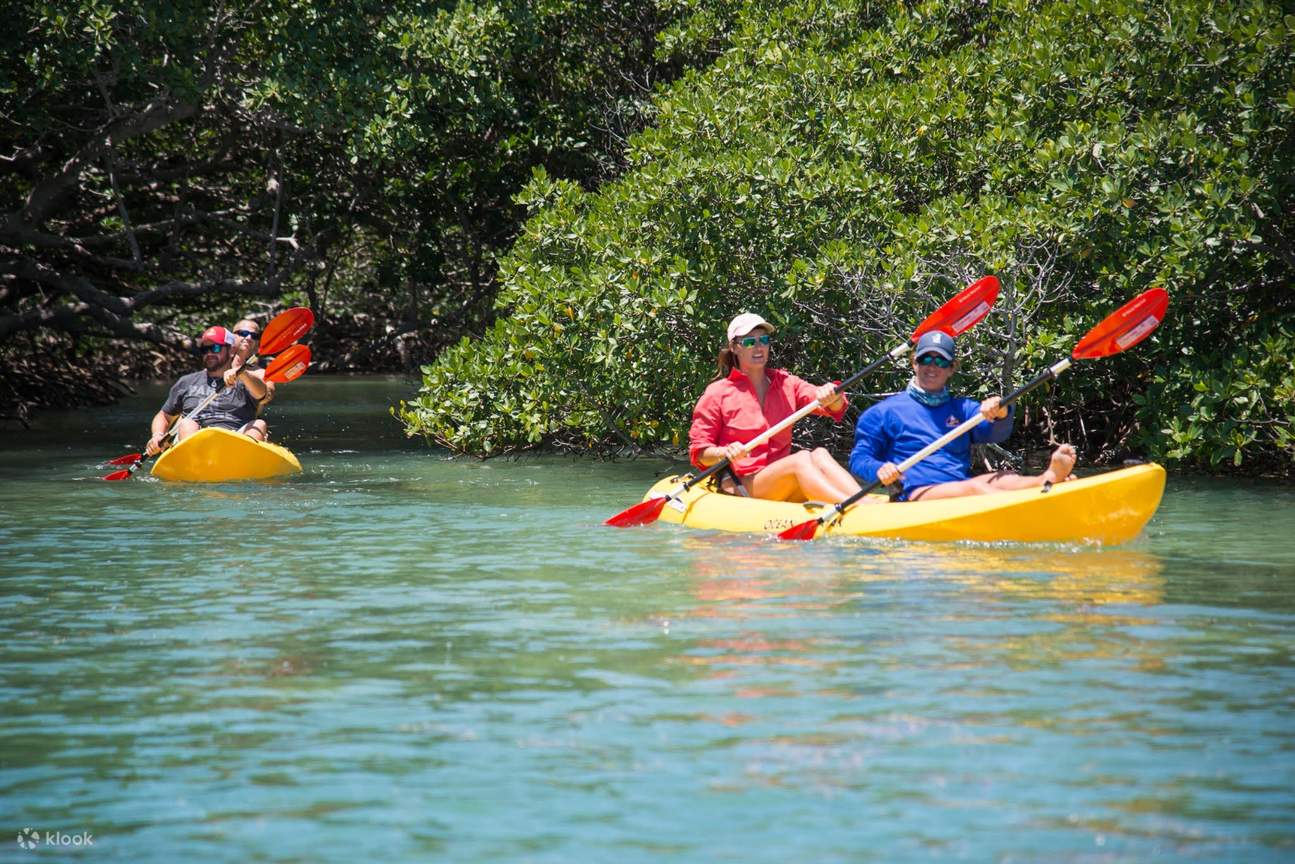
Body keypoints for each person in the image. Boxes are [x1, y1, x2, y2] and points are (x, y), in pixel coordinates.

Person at [849, 329, 1076, 501]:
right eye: (925, 359)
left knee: (1006, 477)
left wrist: (1001, 411)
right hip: (914, 493)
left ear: (952, 368)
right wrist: (879, 470)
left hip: (958, 487)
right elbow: (859, 458)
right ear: (914, 363)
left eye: (941, 361)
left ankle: (1046, 480)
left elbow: (997, 433)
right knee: (975, 489)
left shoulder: (963, 409)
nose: (932, 367)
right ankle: (1028, 506)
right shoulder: (882, 413)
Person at [689, 313, 865, 504]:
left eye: (763, 340)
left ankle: (863, 502)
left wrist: (831, 395)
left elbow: (834, 407)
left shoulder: (786, 382)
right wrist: (724, 452)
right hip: (740, 484)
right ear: (734, 347)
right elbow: (700, 453)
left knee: (820, 454)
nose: (758, 347)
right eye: (749, 342)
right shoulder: (717, 393)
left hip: (779, 478)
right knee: (801, 459)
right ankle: (856, 506)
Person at [144, 325, 272, 456]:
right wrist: (157, 435)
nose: (209, 353)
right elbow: (164, 416)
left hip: (236, 441)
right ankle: (193, 462)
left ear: (231, 350)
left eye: (215, 348)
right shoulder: (186, 382)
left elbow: (263, 395)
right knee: (186, 423)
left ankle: (245, 462)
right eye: (205, 349)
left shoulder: (247, 379)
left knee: (259, 424)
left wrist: (243, 374)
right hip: (196, 441)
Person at [227, 317, 274, 442]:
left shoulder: (262, 374)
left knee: (260, 424)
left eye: (254, 336)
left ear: (257, 342)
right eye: (243, 333)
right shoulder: (216, 366)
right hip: (209, 425)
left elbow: (267, 397)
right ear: (231, 337)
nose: (248, 338)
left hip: (244, 428)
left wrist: (243, 374)